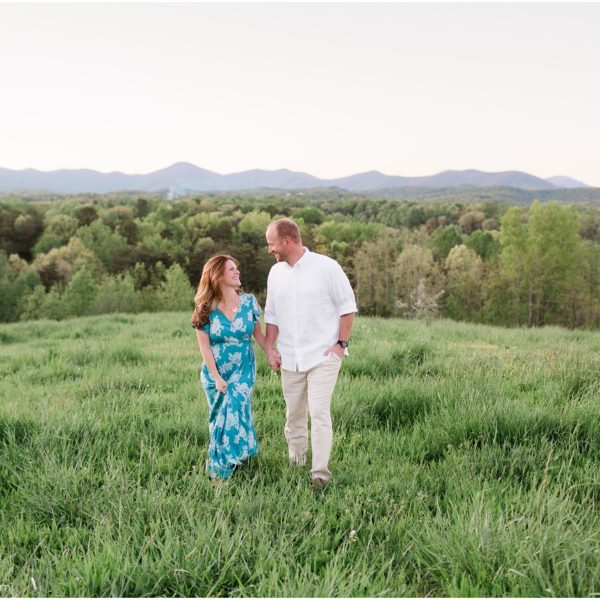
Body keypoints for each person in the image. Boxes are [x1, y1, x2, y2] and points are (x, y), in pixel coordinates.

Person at [264, 218, 358, 488]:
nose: (271, 250)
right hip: (289, 357)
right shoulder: (276, 273)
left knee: (318, 413)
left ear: (288, 240)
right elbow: (271, 315)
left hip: (322, 356)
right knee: (293, 416)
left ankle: (319, 474)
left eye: (272, 244)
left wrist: (341, 345)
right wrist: (270, 348)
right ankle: (296, 463)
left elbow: (347, 308)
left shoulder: (327, 267)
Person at [191, 255, 267, 481]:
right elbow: (204, 348)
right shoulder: (204, 308)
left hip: (243, 369)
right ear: (218, 276)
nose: (237, 272)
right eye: (231, 269)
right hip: (215, 373)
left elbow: (258, 335)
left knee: (233, 411)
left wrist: (271, 353)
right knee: (219, 419)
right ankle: (236, 457)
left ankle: (219, 472)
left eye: (237, 268)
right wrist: (216, 377)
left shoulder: (249, 302)